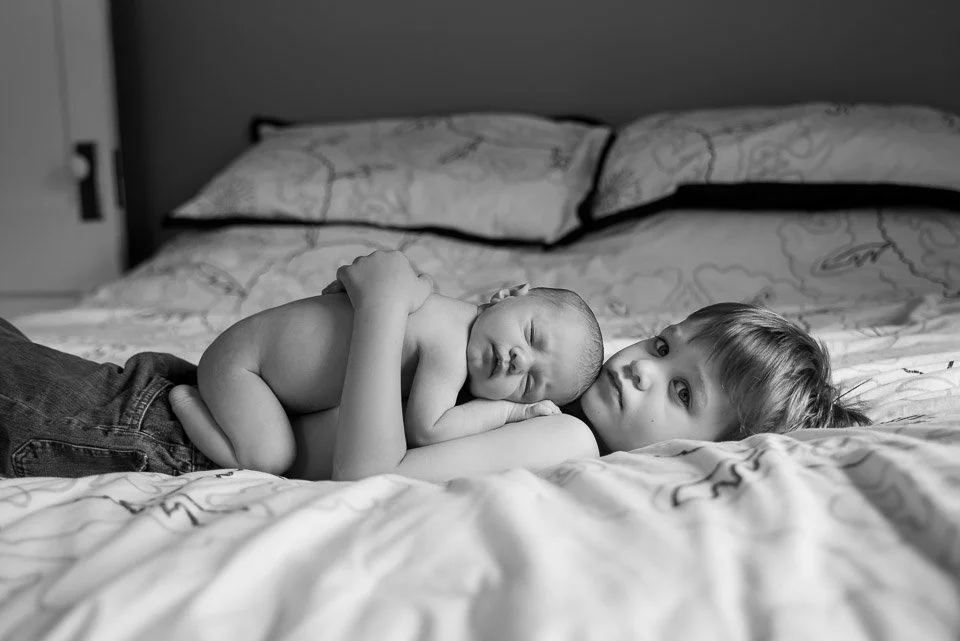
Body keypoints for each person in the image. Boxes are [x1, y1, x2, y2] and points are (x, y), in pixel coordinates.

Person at [0, 251, 869, 482]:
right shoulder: (547, 400)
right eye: (666, 343)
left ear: (702, 449)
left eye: (681, 391)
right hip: (177, 399)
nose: (644, 366)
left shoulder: (560, 436)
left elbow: (370, 471)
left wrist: (382, 302)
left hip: (157, 435)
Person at [170, 260, 605, 475]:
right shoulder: (449, 347)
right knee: (269, 456)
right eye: (531, 335)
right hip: (241, 369)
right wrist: (511, 412)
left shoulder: (440, 309)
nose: (518, 359)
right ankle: (188, 403)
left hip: (248, 358)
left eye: (528, 383)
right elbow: (428, 429)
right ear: (508, 293)